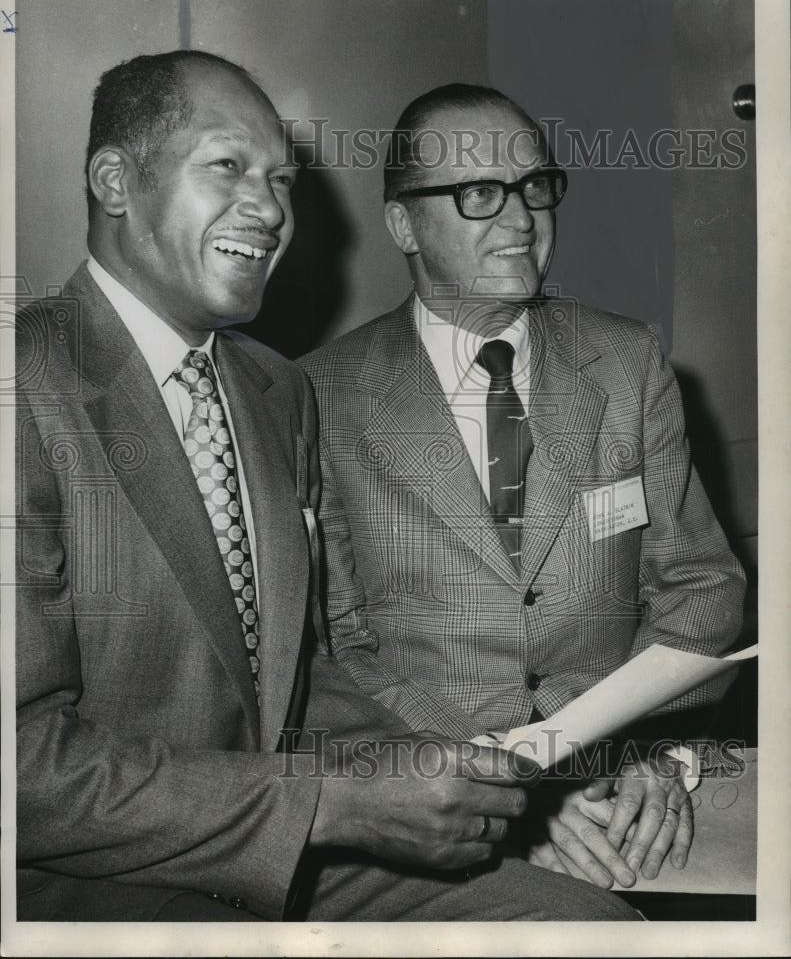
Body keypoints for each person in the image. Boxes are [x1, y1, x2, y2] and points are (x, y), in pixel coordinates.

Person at [15, 54, 639, 923]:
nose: (270, 209)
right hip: (85, 892)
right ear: (116, 181)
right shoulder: (25, 380)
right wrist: (332, 804)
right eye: (228, 167)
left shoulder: (275, 392)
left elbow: (296, 679)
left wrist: (480, 785)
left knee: (589, 927)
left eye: (280, 179)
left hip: (287, 853)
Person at [301, 83, 746, 889]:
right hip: (428, 802)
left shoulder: (625, 363)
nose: (520, 220)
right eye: (478, 194)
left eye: (535, 186)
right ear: (404, 223)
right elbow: (335, 650)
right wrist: (503, 791)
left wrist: (647, 753)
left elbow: (701, 589)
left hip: (620, 793)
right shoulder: (316, 397)